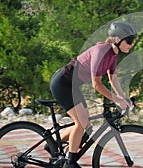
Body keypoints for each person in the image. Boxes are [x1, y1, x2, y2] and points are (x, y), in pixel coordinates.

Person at [49, 21, 137, 168]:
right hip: (62, 84)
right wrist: (116, 99)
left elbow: (112, 78)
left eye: (132, 41)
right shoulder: (101, 51)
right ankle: (70, 163)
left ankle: (51, 145)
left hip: (73, 87)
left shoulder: (113, 55)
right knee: (81, 122)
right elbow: (96, 85)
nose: (131, 44)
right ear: (117, 39)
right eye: (129, 41)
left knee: (86, 125)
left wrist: (122, 98)